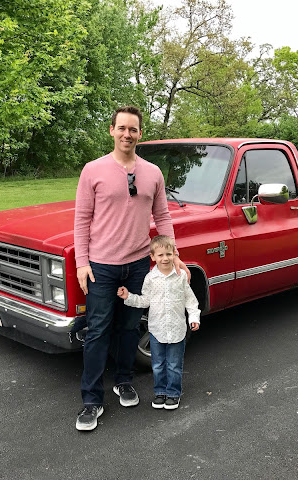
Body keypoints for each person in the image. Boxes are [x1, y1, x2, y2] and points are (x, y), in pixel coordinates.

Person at [73, 106, 189, 431]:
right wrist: (82, 262)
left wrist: (173, 255)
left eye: (133, 129)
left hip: (138, 265)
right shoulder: (93, 170)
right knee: (98, 331)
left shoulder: (152, 173)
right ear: (112, 130)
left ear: (140, 133)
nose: (127, 134)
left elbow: (162, 216)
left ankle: (123, 381)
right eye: (122, 128)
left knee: (128, 328)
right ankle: (91, 401)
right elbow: (81, 219)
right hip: (101, 266)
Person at [117, 235, 200, 410]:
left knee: (174, 365)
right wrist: (128, 297)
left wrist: (194, 318)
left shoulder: (180, 276)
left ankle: (173, 394)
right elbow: (145, 301)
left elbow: (190, 300)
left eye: (169, 254)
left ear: (174, 254)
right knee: (158, 365)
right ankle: (160, 392)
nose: (165, 258)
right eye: (160, 255)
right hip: (157, 330)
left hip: (177, 329)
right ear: (153, 257)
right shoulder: (150, 278)